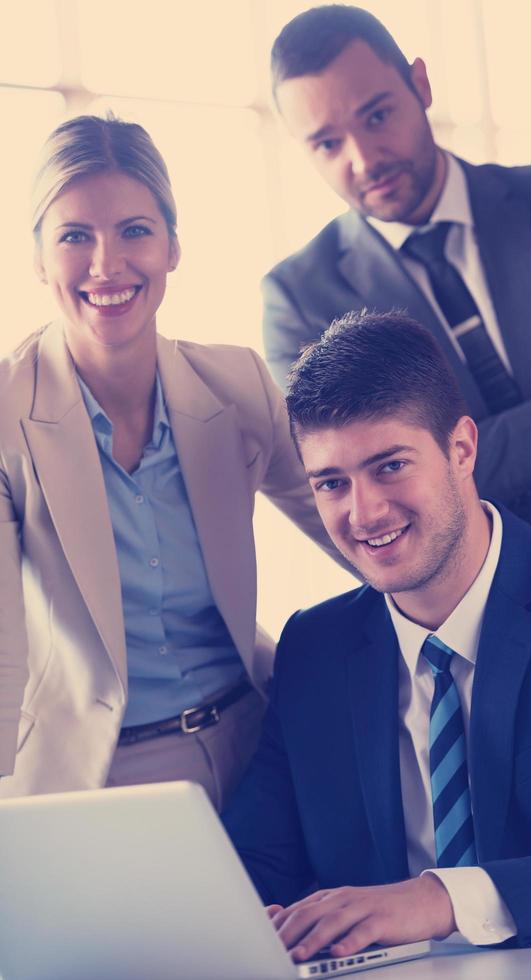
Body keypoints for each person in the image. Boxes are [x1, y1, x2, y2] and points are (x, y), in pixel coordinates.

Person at [224, 310, 531, 956]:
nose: (363, 512)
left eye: (390, 466)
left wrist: (440, 897)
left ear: (462, 449)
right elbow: (249, 871)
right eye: (332, 484)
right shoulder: (315, 649)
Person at [0, 114, 342, 805]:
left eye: (134, 230)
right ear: (38, 257)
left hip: (258, 742)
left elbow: (357, 527)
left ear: (173, 246)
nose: (107, 264)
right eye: (75, 236)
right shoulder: (9, 416)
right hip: (103, 778)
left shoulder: (238, 386)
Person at [262, 4, 531, 544]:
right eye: (328, 143)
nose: (363, 158)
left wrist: (470, 493)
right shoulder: (301, 301)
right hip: (505, 610)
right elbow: (377, 508)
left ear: (420, 84)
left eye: (377, 116)